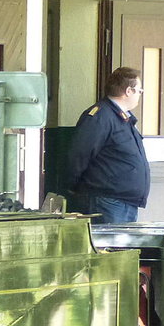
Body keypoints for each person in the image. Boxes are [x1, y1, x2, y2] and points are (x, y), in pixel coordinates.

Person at [66, 66, 150, 224]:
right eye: (139, 90)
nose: (140, 95)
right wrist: (75, 187)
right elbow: (79, 154)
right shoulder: (100, 116)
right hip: (107, 201)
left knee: (124, 247)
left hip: (123, 201)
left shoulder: (123, 118)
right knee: (110, 248)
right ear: (128, 91)